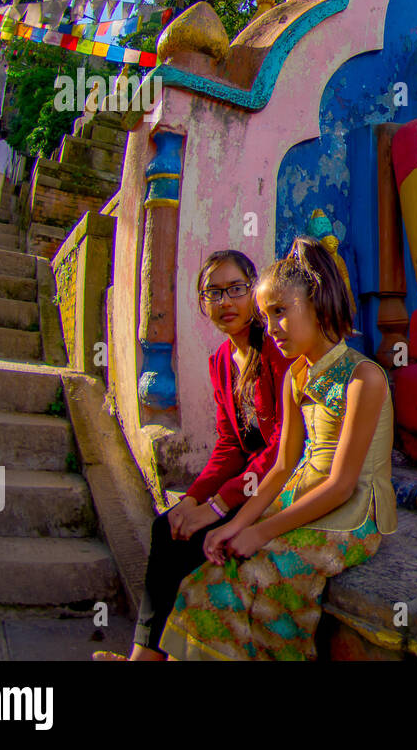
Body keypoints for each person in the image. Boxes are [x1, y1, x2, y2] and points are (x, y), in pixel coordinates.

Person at [157, 236, 397, 661]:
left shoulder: (364, 378)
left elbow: (342, 485)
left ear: (319, 305)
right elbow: (283, 465)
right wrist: (234, 525)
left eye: (281, 313)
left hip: (353, 512)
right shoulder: (295, 377)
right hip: (303, 491)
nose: (271, 329)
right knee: (208, 575)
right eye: (266, 317)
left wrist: (260, 531)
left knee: (262, 574)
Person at [94, 250, 293, 661]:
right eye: (213, 293)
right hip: (245, 483)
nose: (225, 303)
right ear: (203, 303)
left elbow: (280, 447)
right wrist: (192, 499)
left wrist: (218, 506)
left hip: (279, 484)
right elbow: (229, 445)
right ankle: (145, 653)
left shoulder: (276, 351)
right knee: (168, 527)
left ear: (254, 291)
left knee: (195, 537)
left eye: (236, 289)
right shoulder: (220, 360)